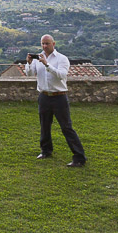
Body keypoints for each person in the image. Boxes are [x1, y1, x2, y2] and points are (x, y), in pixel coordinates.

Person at [25, 34, 87, 167]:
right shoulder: (38, 58)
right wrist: (29, 63)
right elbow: (29, 74)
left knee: (66, 127)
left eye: (47, 43)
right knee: (44, 125)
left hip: (59, 97)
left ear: (54, 44)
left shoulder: (62, 59)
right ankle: (46, 150)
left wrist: (47, 65)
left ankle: (79, 157)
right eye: (42, 43)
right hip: (44, 96)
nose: (44, 46)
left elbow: (61, 75)